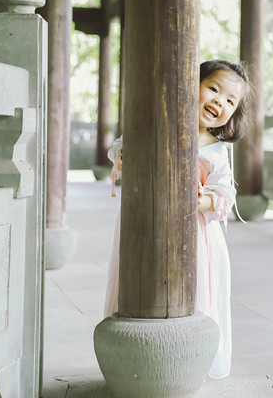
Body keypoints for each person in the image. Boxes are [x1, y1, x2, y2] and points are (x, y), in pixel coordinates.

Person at [103, 59, 250, 380]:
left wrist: (202, 199)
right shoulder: (159, 124)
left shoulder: (216, 150)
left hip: (193, 232)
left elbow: (224, 197)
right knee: (142, 279)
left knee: (190, 290)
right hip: (145, 219)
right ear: (189, 84)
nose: (220, 102)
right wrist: (127, 156)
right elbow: (121, 149)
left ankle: (186, 357)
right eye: (213, 89)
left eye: (230, 101)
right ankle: (137, 352)